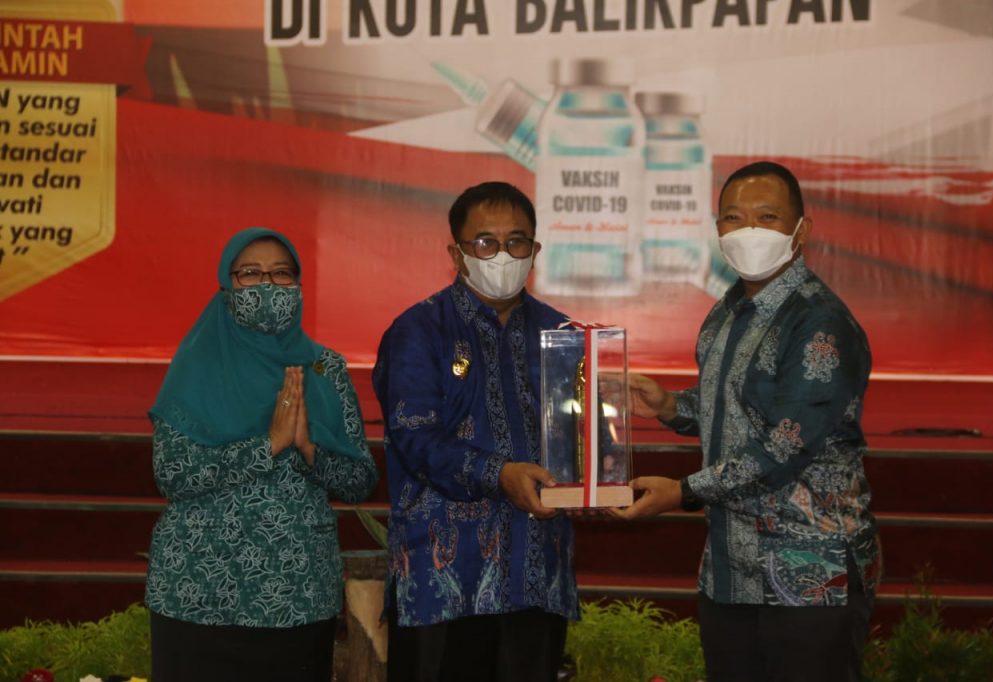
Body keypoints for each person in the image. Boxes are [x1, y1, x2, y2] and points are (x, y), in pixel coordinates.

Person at [614, 161, 881, 682]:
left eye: (767, 217)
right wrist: (669, 406)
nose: (749, 231)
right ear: (717, 230)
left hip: (810, 573)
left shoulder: (819, 322)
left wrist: (682, 492)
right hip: (732, 572)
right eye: (734, 218)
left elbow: (784, 447)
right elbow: (740, 409)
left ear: (801, 230)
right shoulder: (728, 311)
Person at [145, 227, 378, 682]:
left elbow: (359, 483)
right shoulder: (198, 366)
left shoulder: (324, 368)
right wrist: (266, 446)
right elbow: (172, 474)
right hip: (197, 590)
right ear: (227, 286)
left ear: (299, 284)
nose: (267, 285)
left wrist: (310, 449)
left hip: (297, 592)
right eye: (250, 274)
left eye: (281, 274)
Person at [372, 181, 576, 682]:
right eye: (485, 242)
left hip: (536, 573)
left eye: (516, 241)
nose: (502, 254)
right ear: (456, 253)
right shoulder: (419, 330)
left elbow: (580, 439)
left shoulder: (562, 335)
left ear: (535, 250)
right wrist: (499, 474)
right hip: (443, 583)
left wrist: (598, 470)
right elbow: (415, 439)